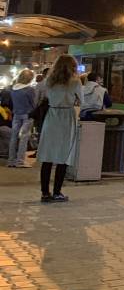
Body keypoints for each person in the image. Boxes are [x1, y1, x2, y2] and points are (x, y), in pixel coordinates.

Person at [36, 55, 84, 203]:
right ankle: (57, 192)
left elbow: (43, 97)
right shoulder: (75, 82)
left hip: (52, 116)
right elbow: (83, 101)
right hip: (67, 116)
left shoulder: (48, 81)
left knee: (47, 155)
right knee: (64, 156)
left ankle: (45, 193)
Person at [7, 69, 37, 167]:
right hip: (27, 115)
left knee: (13, 137)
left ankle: (11, 160)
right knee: (24, 138)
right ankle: (20, 161)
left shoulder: (13, 88)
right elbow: (33, 104)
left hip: (16, 114)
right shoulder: (30, 90)